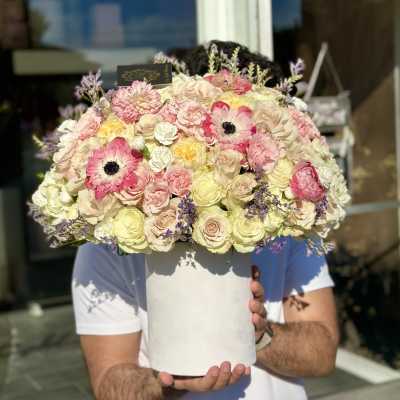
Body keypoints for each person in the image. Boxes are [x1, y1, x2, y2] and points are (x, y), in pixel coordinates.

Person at [72, 42, 339, 399]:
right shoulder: (110, 241)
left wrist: (260, 334)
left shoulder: (292, 218)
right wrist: (174, 379)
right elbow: (109, 383)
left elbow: (323, 354)